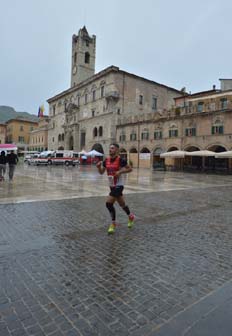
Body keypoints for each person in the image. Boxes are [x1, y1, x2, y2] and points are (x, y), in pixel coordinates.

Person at [96, 143, 135, 234]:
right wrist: (98, 167)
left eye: (112, 148)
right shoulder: (106, 161)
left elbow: (130, 169)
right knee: (122, 204)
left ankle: (113, 223)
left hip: (119, 185)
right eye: (110, 148)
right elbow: (102, 172)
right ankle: (130, 216)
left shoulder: (121, 160)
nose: (110, 150)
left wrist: (120, 172)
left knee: (108, 204)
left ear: (117, 150)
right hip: (112, 185)